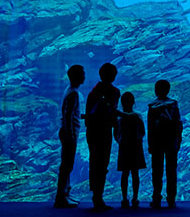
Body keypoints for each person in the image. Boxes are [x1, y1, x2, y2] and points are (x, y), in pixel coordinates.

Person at [85, 63, 120, 210]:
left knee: (95, 162)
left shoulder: (93, 91)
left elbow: (88, 114)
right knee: (102, 162)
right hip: (103, 131)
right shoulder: (113, 91)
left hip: (92, 131)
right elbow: (113, 112)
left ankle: (96, 195)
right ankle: (98, 197)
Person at [148, 79, 183, 209]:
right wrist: (178, 140)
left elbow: (150, 128)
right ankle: (171, 198)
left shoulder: (152, 106)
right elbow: (179, 124)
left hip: (157, 142)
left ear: (156, 90)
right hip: (171, 141)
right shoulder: (173, 104)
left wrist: (150, 144)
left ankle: (156, 197)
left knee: (157, 170)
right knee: (171, 170)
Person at [54, 64, 85, 208]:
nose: (85, 76)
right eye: (83, 73)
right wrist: (70, 135)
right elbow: (67, 115)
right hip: (69, 134)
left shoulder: (70, 90)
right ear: (77, 76)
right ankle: (60, 197)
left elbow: (72, 113)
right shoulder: (73, 93)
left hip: (67, 132)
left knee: (67, 165)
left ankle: (66, 193)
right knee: (67, 166)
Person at [114, 92, 146, 209]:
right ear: (134, 102)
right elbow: (143, 131)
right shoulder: (138, 115)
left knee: (125, 174)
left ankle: (124, 198)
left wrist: (120, 141)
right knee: (135, 174)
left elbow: (115, 134)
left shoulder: (119, 117)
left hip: (124, 147)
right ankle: (135, 198)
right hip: (136, 146)